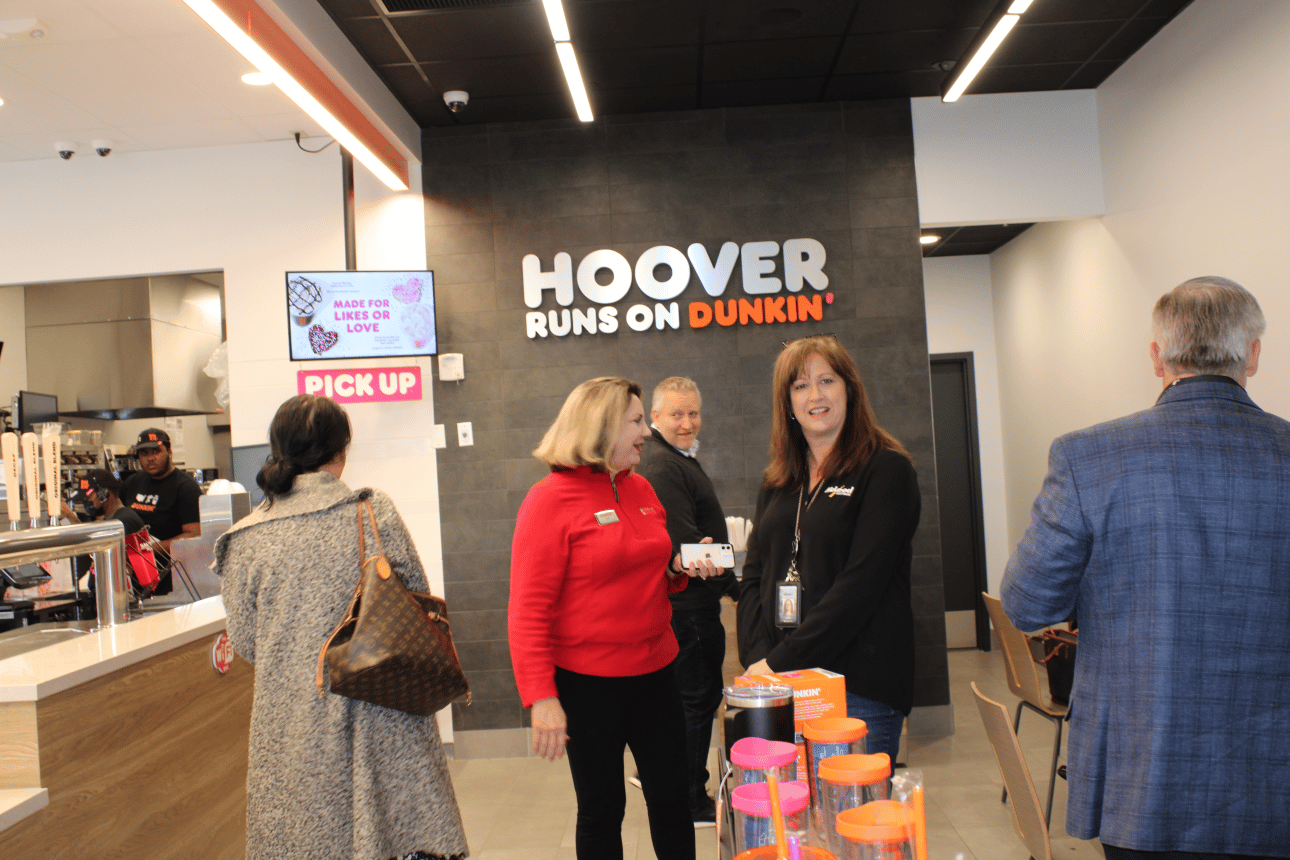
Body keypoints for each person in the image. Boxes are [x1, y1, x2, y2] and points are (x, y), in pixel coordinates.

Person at [1001, 276, 1290, 860]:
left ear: (1157, 357)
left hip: (1143, 772)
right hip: (1272, 775)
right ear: (1254, 355)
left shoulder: (1088, 456)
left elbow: (1028, 603)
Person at [214, 395, 467, 860]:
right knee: (396, 837)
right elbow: (418, 605)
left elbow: (247, 642)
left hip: (292, 725)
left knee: (303, 842)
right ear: (340, 451)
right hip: (384, 706)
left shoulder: (244, 538)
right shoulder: (372, 512)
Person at [508, 376, 718, 860]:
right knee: (603, 811)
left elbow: (645, 572)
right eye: (637, 421)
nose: (646, 432)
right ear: (601, 427)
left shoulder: (641, 487)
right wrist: (541, 697)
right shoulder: (549, 499)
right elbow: (527, 609)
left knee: (673, 803)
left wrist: (678, 569)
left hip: (657, 673)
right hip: (588, 685)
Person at [737, 336, 921, 765]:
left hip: (858, 687)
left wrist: (780, 661)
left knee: (847, 808)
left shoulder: (887, 471)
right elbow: (754, 574)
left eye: (827, 381)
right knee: (788, 806)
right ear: (787, 403)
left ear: (850, 389)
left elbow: (861, 586)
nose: (815, 396)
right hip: (782, 685)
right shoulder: (778, 480)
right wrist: (759, 659)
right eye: (800, 386)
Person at [635, 376, 735, 827]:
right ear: (655, 416)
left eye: (693, 413)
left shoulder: (675, 459)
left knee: (686, 702)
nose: (687, 422)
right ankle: (691, 799)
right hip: (688, 610)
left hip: (689, 607)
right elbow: (684, 547)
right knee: (697, 702)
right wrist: (737, 585)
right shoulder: (664, 465)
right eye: (676, 414)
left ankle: (672, 784)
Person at [120, 428, 201, 592]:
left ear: (169, 452)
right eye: (144, 453)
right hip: (133, 575)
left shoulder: (186, 487)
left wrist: (149, 548)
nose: (150, 458)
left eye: (156, 451)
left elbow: (194, 534)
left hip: (171, 576)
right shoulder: (131, 483)